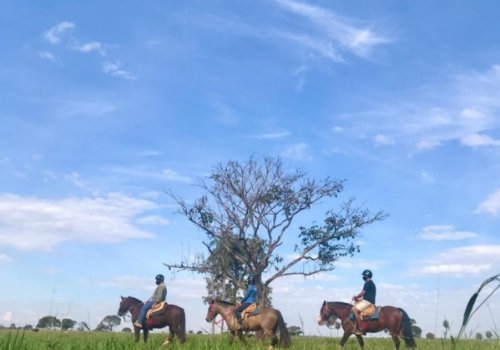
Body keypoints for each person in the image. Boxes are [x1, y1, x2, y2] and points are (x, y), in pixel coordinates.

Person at [352, 269, 376, 335]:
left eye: (364, 276)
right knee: (356, 305)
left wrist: (356, 297)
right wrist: (358, 300)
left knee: (355, 310)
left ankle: (360, 329)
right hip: (367, 301)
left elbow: (362, 293)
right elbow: (365, 296)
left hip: (368, 302)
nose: (363, 277)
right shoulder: (371, 283)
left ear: (366, 276)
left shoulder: (367, 283)